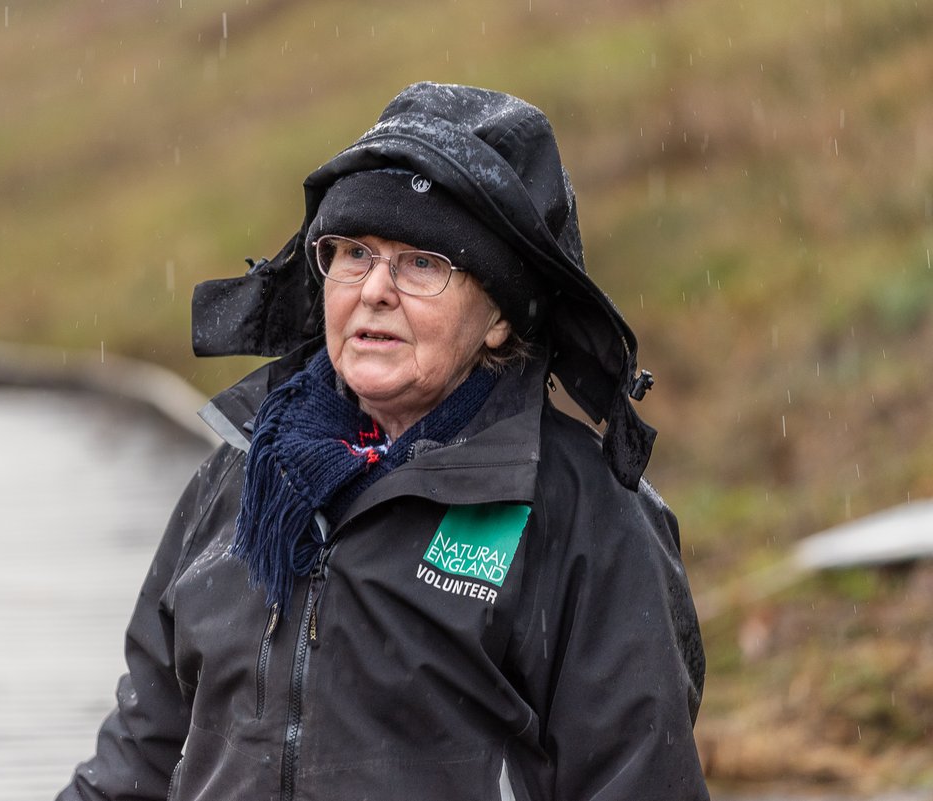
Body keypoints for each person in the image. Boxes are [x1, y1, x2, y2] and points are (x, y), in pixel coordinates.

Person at [57, 82, 708, 801]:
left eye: (423, 263)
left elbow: (640, 779)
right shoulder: (244, 475)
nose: (374, 290)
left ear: (498, 316)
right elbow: (137, 758)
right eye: (354, 253)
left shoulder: (580, 513)